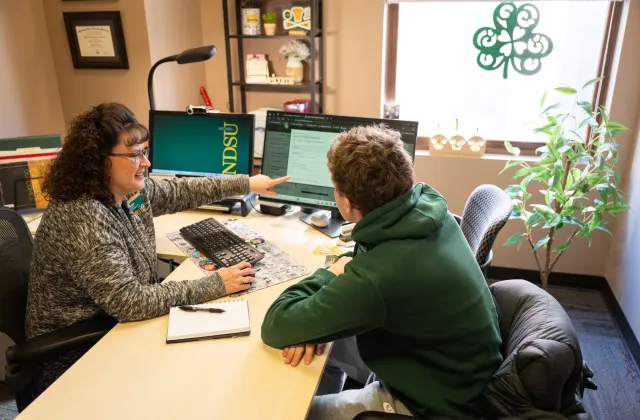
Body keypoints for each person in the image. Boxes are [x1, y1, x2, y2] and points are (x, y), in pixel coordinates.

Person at [24, 103, 288, 407]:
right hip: (80, 356)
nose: (146, 162)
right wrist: (216, 284)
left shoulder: (128, 193)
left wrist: (246, 183)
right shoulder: (84, 216)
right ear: (97, 161)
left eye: (144, 151)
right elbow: (131, 302)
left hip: (119, 327)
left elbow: (182, 192)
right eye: (134, 154)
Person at [261, 125, 503, 419]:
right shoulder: (428, 211)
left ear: (347, 203)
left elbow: (275, 325)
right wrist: (314, 325)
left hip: (435, 405)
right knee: (321, 345)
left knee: (296, 413)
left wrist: (330, 276)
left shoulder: (378, 276)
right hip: (458, 371)